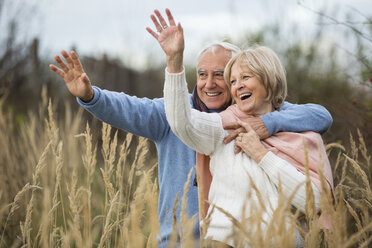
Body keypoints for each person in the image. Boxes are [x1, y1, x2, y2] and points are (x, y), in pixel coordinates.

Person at [49, 9, 333, 247]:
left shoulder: (259, 111)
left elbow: (319, 115)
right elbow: (129, 108)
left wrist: (266, 124)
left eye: (221, 76)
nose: (209, 84)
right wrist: (90, 96)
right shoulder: (174, 113)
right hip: (179, 241)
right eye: (202, 75)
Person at [158, 14, 334, 247]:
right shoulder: (224, 126)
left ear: (269, 80)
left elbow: (314, 202)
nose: (237, 85)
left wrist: (261, 154)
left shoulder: (303, 134)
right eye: (233, 81)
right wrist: (174, 62)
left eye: (246, 77)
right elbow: (183, 123)